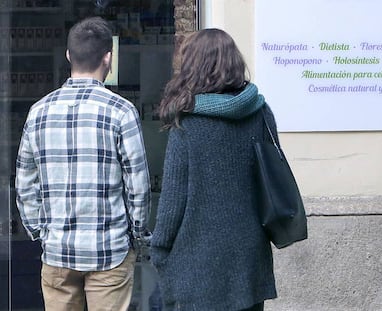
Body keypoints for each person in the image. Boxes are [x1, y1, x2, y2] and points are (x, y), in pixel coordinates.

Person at [15, 16, 151, 311]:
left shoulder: (38, 112)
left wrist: (39, 231)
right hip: (110, 251)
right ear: (109, 58)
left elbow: (25, 182)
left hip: (57, 251)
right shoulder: (121, 111)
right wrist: (136, 234)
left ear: (68, 56)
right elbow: (138, 185)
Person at [150, 28, 277, 311]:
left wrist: (158, 249)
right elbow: (270, 179)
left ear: (192, 67)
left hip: (199, 264)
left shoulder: (187, 124)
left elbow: (173, 202)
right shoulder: (260, 112)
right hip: (250, 259)